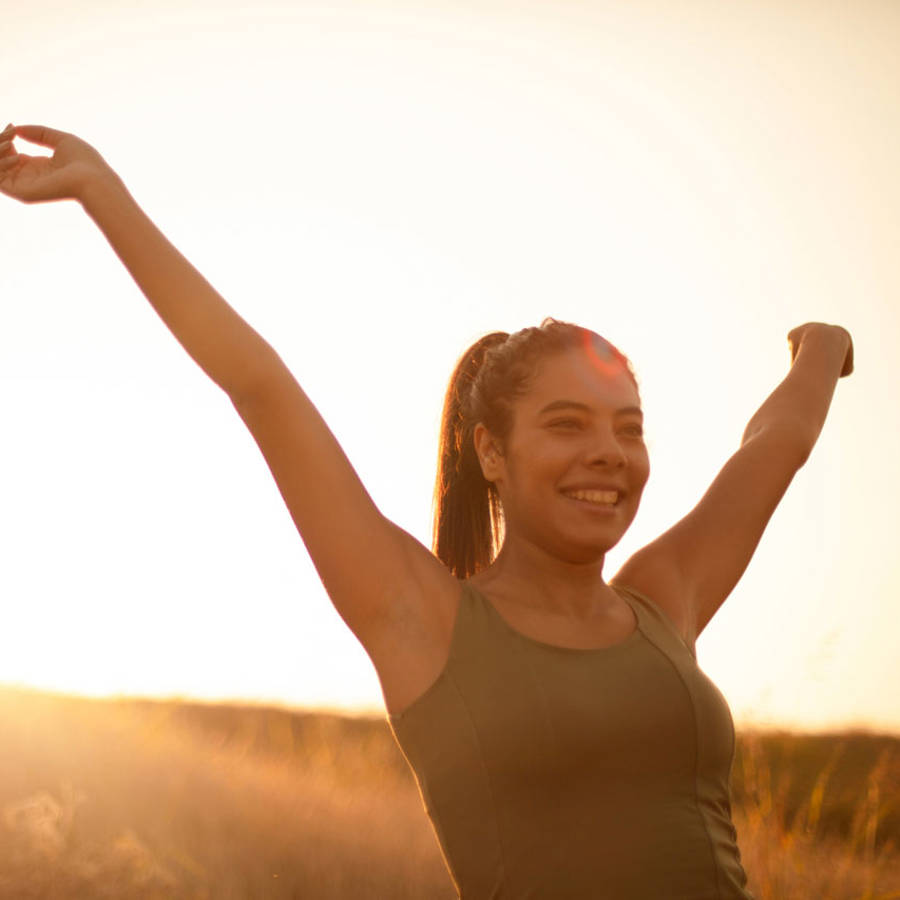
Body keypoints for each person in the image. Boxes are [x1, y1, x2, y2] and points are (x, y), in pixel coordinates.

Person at [0, 123, 853, 899]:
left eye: (628, 429)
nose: (609, 452)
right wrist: (100, 193)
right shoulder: (424, 617)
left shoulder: (662, 598)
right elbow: (259, 385)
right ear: (492, 453)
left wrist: (821, 348)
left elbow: (771, 449)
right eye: (567, 425)